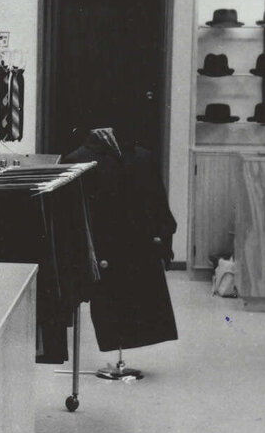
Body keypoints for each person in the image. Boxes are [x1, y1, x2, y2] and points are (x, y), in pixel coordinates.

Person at [60, 126, 179, 358]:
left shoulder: (142, 157)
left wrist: (162, 237)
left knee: (136, 303)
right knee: (112, 305)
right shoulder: (77, 160)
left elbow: (157, 201)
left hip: (136, 246)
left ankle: (122, 353)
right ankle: (118, 350)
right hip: (104, 248)